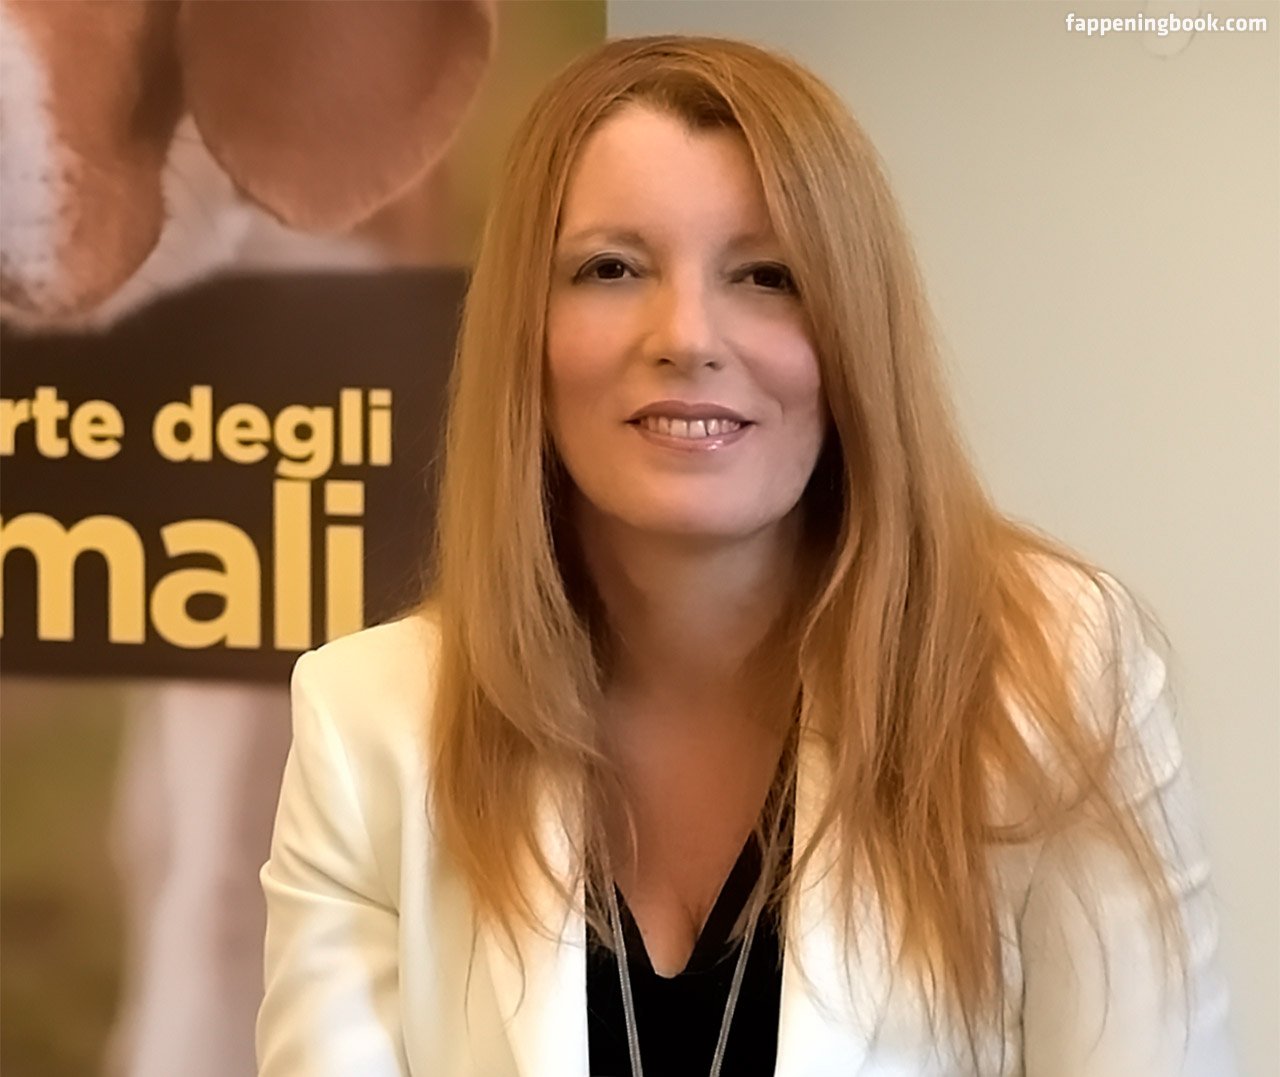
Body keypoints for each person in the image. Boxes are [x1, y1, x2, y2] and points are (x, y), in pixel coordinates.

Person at [254, 34, 1237, 1077]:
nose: (686, 336)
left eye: (767, 275)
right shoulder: (369, 721)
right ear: (524, 335)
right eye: (610, 268)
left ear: (852, 330)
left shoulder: (1053, 679)